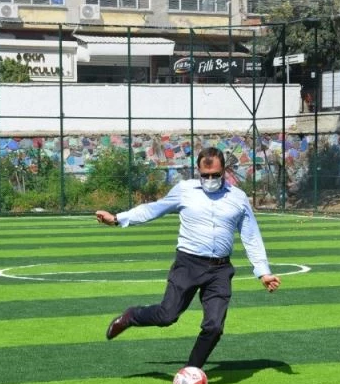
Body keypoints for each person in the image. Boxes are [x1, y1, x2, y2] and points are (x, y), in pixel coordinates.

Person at [94, 146, 281, 369]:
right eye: (205, 175)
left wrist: (263, 272)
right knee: (167, 316)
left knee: (214, 327)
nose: (210, 179)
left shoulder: (238, 198)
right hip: (188, 264)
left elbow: (251, 236)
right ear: (198, 171)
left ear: (224, 172)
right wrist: (117, 218)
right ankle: (132, 316)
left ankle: (191, 372)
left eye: (215, 175)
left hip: (220, 270)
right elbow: (154, 209)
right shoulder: (185, 190)